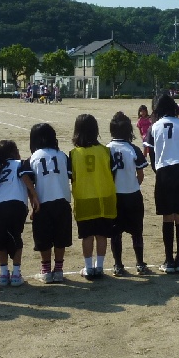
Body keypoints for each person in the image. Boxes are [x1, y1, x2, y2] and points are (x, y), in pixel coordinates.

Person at [143, 93, 179, 273]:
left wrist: (158, 171)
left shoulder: (154, 127)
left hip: (165, 171)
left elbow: (151, 154)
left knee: (167, 216)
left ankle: (169, 260)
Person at [70, 114, 118, 279]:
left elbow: (72, 176)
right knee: (102, 235)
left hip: (84, 199)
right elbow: (113, 173)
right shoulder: (105, 151)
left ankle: (89, 267)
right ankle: (100, 267)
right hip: (104, 198)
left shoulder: (74, 154)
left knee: (87, 235)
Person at [28, 122, 73, 283]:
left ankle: (46, 271)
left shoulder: (33, 157)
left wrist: (33, 203)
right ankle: (59, 270)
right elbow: (71, 175)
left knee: (43, 238)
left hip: (43, 203)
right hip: (62, 201)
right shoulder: (62, 156)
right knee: (61, 237)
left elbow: (29, 182)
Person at [0, 139, 38, 287]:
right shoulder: (20, 164)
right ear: (14, 152)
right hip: (16, 204)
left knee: (1, 241)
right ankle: (16, 273)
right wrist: (34, 196)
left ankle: (3, 274)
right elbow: (25, 178)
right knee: (16, 237)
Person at [107, 112, 148, 275]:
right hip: (133, 195)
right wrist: (133, 185)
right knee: (137, 231)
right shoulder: (133, 149)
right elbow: (141, 174)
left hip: (115, 196)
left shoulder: (107, 149)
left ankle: (118, 265)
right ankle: (140, 264)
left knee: (115, 232)